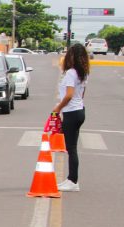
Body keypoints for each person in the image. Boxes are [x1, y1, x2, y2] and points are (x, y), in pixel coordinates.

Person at [53, 43, 89, 192]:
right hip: (79, 110)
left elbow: (68, 95)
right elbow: (81, 94)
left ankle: (73, 181)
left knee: (71, 148)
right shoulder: (84, 73)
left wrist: (58, 108)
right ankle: (71, 179)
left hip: (72, 113)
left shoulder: (71, 73)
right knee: (72, 147)